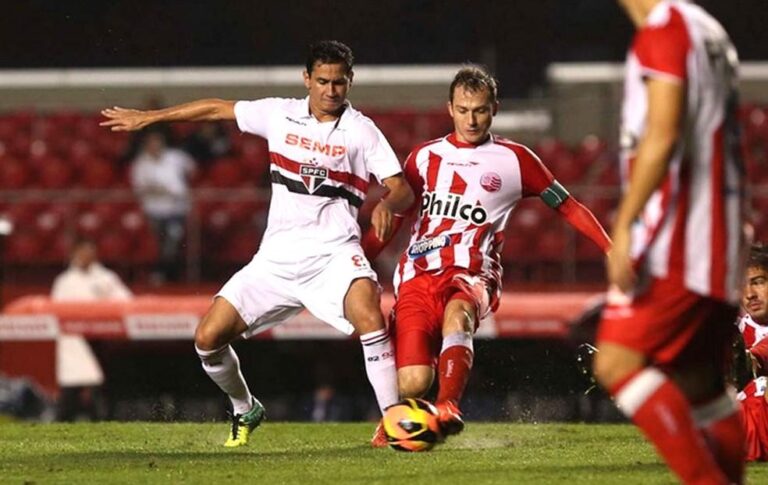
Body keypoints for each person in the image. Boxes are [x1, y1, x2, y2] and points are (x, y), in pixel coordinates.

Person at [101, 40, 414, 447]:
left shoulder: (362, 131)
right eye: (322, 81)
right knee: (207, 339)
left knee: (370, 318)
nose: (331, 90)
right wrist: (151, 118)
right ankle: (245, 407)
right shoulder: (279, 113)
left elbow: (401, 188)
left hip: (335, 254)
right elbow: (217, 108)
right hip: (276, 260)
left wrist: (389, 203)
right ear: (307, 79)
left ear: (349, 82)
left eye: (339, 82)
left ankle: (393, 423)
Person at [362, 65, 611, 437]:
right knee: (414, 382)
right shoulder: (423, 157)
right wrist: (357, 260)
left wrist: (610, 248)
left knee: (458, 313)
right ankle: (400, 423)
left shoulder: (517, 159)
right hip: (418, 275)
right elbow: (395, 219)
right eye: (463, 110)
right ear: (450, 108)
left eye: (479, 109)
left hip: (474, 271)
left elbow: (569, 205)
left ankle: (448, 406)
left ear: (494, 108)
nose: (471, 119)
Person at [592, 1, 748, 483]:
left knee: (616, 363)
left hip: (682, 239)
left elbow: (663, 134)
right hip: (721, 235)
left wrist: (625, 224)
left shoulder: (664, 31)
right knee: (700, 388)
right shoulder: (707, 28)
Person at [51, 239, 133, 420]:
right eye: (82, 252)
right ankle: (62, 423)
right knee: (71, 389)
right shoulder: (64, 281)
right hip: (73, 341)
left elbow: (126, 300)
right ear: (74, 254)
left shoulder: (106, 278)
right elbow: (56, 311)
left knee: (99, 385)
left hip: (101, 340)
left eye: (90, 252)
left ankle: (103, 421)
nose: (86, 256)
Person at [130, 131, 196, 283]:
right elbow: (140, 188)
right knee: (159, 245)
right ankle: (161, 274)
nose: (155, 146)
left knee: (174, 240)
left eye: (157, 143)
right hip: (154, 211)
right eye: (151, 144)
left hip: (178, 209)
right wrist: (158, 189)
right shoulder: (141, 164)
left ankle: (170, 275)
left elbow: (193, 169)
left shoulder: (176, 157)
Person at [736, 243, 768, 461]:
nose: (749, 294)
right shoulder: (732, 332)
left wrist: (752, 359)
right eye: (741, 286)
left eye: (758, 282)